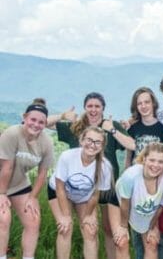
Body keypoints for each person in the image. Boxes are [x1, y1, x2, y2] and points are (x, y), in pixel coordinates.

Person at [48, 92, 135, 259]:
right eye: (90, 106)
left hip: (106, 185)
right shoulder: (76, 126)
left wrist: (114, 129)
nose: (93, 109)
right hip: (79, 186)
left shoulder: (112, 125)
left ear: (103, 108)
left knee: (110, 228)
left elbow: (131, 144)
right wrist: (63, 115)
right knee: (79, 227)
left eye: (97, 106)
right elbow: (39, 123)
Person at [48, 126, 114, 259]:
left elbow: (96, 194)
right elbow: (60, 187)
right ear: (81, 140)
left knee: (90, 230)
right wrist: (66, 216)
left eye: (97, 142)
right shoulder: (67, 157)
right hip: (60, 192)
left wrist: (89, 215)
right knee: (65, 228)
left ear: (102, 146)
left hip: (84, 197)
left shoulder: (105, 167)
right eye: (89, 140)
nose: (92, 145)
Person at [0, 99, 54, 259]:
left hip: (19, 184)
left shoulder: (46, 143)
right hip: (1, 182)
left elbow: (42, 173)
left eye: (41, 122)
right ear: (25, 117)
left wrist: (32, 197)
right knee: (3, 217)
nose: (36, 124)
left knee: (33, 218)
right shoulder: (12, 133)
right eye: (33, 120)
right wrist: (2, 194)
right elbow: (6, 167)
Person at [123, 86, 163, 259]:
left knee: (159, 235)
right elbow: (129, 156)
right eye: (139, 103)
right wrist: (126, 175)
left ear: (153, 103)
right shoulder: (133, 128)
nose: (143, 106)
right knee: (138, 232)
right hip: (137, 185)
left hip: (158, 185)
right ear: (136, 106)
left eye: (147, 102)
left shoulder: (162, 128)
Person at [116, 142, 163, 259]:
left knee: (151, 242)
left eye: (160, 162)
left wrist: (152, 227)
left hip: (145, 208)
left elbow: (161, 206)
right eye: (152, 160)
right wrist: (123, 226)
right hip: (120, 202)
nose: (155, 165)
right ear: (144, 159)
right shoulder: (130, 176)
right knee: (121, 241)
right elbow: (125, 203)